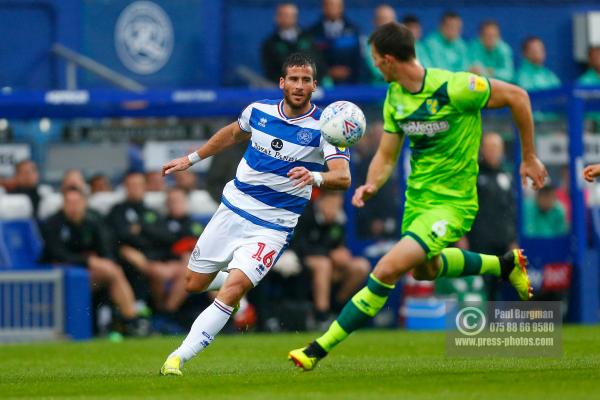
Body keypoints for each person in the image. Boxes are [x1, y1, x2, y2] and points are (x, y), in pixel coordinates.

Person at [288, 22, 548, 371]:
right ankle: (504, 264)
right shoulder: (395, 97)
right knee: (425, 270)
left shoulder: (455, 86)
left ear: (391, 59)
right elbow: (386, 154)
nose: (375, 65)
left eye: (377, 59)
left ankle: (318, 348)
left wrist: (529, 156)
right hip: (418, 203)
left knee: (386, 269)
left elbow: (519, 96)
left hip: (452, 203)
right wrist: (373, 183)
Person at [159, 53, 351, 376]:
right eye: (293, 79)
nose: (299, 86)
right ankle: (241, 281)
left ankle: (176, 358)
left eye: (306, 80)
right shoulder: (258, 111)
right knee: (192, 283)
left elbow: (342, 176)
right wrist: (190, 159)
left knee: (230, 291)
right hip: (233, 210)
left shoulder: (325, 127)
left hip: (274, 226)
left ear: (315, 86)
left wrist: (315, 177)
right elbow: (233, 134)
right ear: (282, 83)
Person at [40, 187, 146, 335]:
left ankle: (128, 320)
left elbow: (105, 248)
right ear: (63, 204)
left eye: (76, 202)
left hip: (85, 273)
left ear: (84, 203)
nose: (73, 206)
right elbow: (57, 253)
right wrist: (88, 260)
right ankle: (131, 321)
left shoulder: (92, 222)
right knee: (112, 272)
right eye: (68, 202)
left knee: (113, 271)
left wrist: (100, 261)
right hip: (57, 275)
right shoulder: (53, 223)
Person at [293, 190, 370, 326]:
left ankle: (337, 310)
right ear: (321, 201)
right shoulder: (306, 214)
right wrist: (329, 254)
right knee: (324, 265)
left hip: (332, 264)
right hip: (303, 261)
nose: (335, 209)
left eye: (338, 205)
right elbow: (300, 246)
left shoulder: (339, 220)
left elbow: (339, 244)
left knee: (361, 266)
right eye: (332, 204)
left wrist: (342, 253)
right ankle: (321, 316)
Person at [106, 172, 180, 306]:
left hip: (157, 257)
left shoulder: (151, 212)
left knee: (183, 269)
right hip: (131, 259)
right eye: (131, 185)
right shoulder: (118, 211)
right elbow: (118, 236)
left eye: (138, 185)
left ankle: (168, 311)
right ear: (125, 187)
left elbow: (168, 237)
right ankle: (157, 310)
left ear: (145, 187)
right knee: (155, 272)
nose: (135, 188)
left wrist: (142, 228)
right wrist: (127, 247)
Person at [467, 132, 517, 300]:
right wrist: (462, 236)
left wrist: (512, 239)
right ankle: (477, 322)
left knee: (498, 285)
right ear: (482, 149)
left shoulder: (507, 176)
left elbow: (511, 210)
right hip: (479, 241)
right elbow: (464, 207)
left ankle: (492, 322)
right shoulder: (474, 175)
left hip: (502, 241)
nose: (493, 152)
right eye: (489, 147)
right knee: (481, 284)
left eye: (496, 148)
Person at [261, 3, 324, 83]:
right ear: (277, 17)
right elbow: (271, 70)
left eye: (291, 15)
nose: (288, 18)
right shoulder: (269, 44)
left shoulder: (309, 39)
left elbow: (319, 62)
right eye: (284, 15)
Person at [308, 0, 362, 84]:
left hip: (350, 83)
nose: (332, 8)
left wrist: (348, 72)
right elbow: (311, 58)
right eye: (329, 5)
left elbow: (358, 58)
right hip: (322, 83)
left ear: (342, 7)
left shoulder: (354, 30)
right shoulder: (313, 32)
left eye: (336, 5)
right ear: (323, 7)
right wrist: (327, 71)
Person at [364, 5, 397, 84]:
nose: (387, 23)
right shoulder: (367, 44)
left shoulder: (403, 43)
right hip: (378, 92)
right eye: (383, 19)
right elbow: (378, 71)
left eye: (390, 19)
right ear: (375, 22)